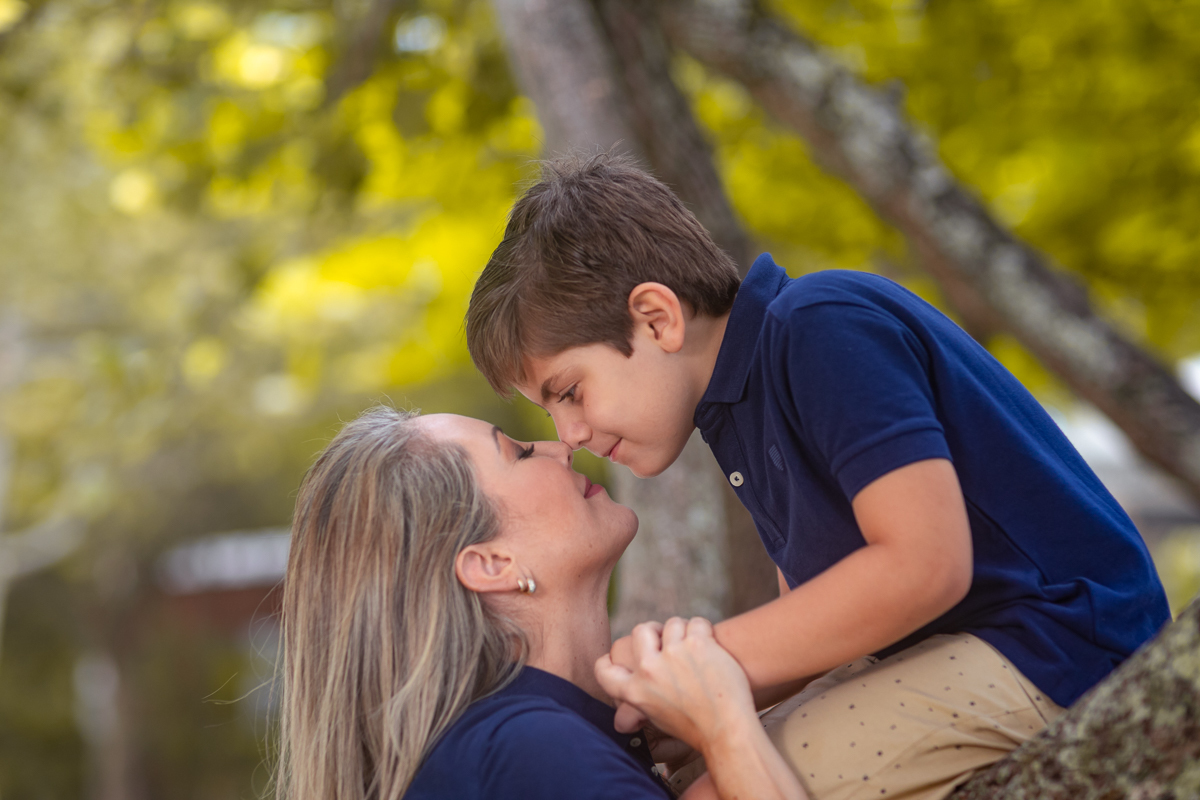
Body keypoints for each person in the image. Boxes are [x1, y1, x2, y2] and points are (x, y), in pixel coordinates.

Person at [464, 152, 1172, 799]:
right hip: (971, 652)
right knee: (688, 773)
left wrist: (698, 661)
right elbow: (821, 616)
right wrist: (686, 711)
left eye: (570, 392)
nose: (569, 436)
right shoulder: (739, 411)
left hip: (1058, 641)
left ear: (656, 319)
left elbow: (925, 565)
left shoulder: (819, 328)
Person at [273, 406, 805, 800]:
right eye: (521, 453)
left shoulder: (503, 750)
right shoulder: (528, 752)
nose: (560, 446)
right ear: (492, 565)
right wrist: (724, 722)